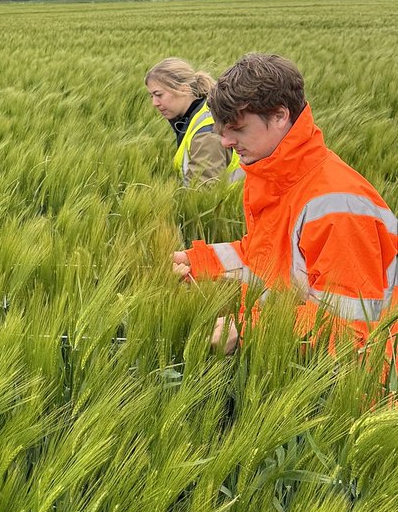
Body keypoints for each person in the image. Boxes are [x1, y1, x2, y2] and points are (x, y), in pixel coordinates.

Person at [172, 54, 397, 354]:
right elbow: (267, 261)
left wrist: (248, 330)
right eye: (223, 128)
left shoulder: (338, 207)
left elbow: (351, 332)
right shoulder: (273, 176)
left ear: (280, 115)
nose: (225, 141)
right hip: (302, 366)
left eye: (237, 129)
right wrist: (199, 262)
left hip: (363, 385)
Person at [145, 58, 242, 185]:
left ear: (184, 89)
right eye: (152, 96)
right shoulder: (195, 117)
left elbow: (202, 192)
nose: (154, 103)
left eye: (159, 95)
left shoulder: (207, 134)